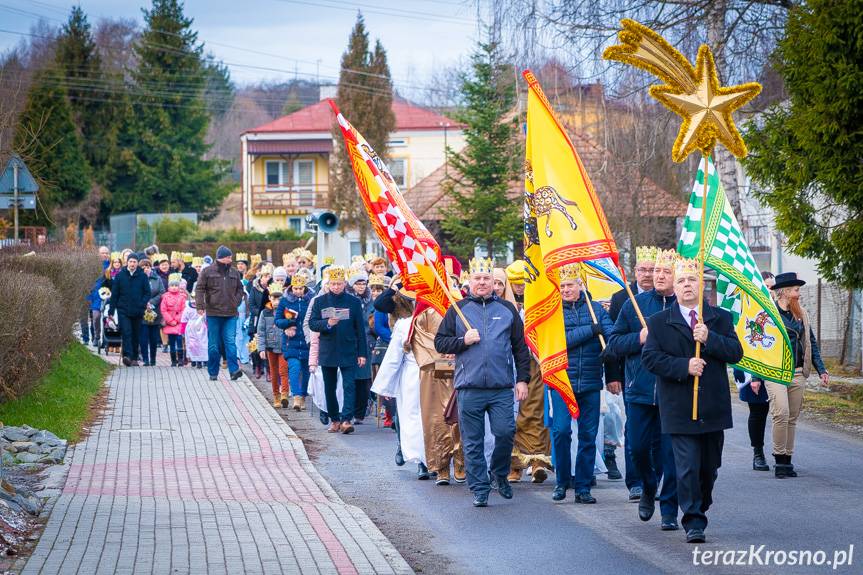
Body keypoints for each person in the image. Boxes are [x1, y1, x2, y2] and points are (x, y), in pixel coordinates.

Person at [642, 257, 743, 543]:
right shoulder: (659, 322)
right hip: (678, 406)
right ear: (674, 286)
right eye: (682, 281)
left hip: (712, 406)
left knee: (709, 468)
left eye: (692, 280)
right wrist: (683, 366)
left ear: (701, 285)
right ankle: (693, 521)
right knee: (686, 467)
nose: (687, 285)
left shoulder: (719, 318)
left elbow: (736, 353)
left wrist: (710, 338)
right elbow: (651, 358)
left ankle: (701, 501)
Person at [434, 257, 531, 508]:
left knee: (505, 432)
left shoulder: (507, 310)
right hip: (469, 386)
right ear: (469, 281)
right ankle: (479, 488)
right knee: (472, 441)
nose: (482, 283)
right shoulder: (458, 309)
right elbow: (440, 342)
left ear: (494, 283)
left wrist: (522, 380)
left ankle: (499, 472)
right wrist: (462, 341)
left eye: (487, 279)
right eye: (477, 278)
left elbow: (520, 348)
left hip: (501, 387)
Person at [608, 248, 679, 531]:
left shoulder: (684, 307)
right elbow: (613, 344)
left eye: (665, 272)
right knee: (637, 449)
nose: (658, 276)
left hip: (673, 392)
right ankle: (649, 486)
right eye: (656, 271)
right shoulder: (633, 305)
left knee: (669, 454)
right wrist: (639, 337)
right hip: (639, 390)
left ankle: (670, 511)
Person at [549, 266, 616, 504]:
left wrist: (608, 338)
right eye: (563, 286)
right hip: (562, 381)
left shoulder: (596, 309)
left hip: (590, 381)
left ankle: (583, 487)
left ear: (581, 285)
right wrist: (590, 330)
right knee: (561, 432)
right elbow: (559, 343)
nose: (566, 289)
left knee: (588, 436)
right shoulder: (553, 311)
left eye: (570, 285)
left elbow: (611, 334)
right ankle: (562, 481)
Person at [607, 245, 658, 498]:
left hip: (664, 377)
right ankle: (635, 481)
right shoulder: (621, 299)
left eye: (652, 270)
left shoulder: (670, 299)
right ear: (634, 271)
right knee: (635, 432)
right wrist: (613, 375)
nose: (648, 275)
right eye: (643, 269)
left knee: (661, 433)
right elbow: (613, 341)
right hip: (633, 376)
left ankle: (659, 479)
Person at [767, 272, 828, 478]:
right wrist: (757, 377)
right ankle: (778, 458)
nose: (798, 294)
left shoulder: (802, 314)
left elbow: (811, 343)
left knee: (792, 417)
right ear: (784, 292)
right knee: (781, 413)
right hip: (775, 372)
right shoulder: (770, 314)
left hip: (798, 372)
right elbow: (760, 347)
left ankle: (787, 459)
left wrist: (822, 369)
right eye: (796, 290)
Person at [505, 261, 553, 484]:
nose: (519, 288)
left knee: (534, 412)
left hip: (533, 364)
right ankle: (513, 465)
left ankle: (537, 462)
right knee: (508, 417)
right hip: (504, 367)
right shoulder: (500, 306)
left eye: (523, 283)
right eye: (514, 284)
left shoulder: (541, 303)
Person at [308, 266, 369, 434]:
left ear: (344, 284)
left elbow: (360, 330)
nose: (336, 287)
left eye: (339, 283)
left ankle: (346, 419)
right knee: (330, 386)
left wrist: (362, 353)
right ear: (328, 284)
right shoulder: (319, 301)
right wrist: (327, 324)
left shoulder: (354, 302)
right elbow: (312, 323)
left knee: (349, 385)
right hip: (328, 350)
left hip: (348, 348)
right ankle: (334, 419)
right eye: (333, 284)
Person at [734, 271, 775, 472]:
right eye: (766, 286)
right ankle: (758, 453)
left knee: (779, 413)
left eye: (772, 287)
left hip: (774, 370)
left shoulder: (778, 311)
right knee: (758, 412)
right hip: (751, 370)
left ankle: (783, 453)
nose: (770, 291)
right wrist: (753, 375)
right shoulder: (746, 310)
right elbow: (743, 345)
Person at [195, 245, 245, 381]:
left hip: (231, 314)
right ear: (222, 258)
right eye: (229, 257)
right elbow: (199, 289)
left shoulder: (234, 272)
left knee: (230, 342)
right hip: (213, 314)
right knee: (213, 345)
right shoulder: (207, 271)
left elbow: (241, 289)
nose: (231, 259)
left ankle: (234, 370)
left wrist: (236, 301)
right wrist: (200, 305)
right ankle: (213, 372)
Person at [275, 274, 313, 411]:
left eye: (300, 288)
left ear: (305, 287)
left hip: (307, 341)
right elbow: (277, 320)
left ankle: (303, 395)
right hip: (291, 341)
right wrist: (288, 324)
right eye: (295, 288)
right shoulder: (285, 301)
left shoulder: (311, 301)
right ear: (291, 287)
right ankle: (296, 396)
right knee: (294, 368)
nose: (298, 291)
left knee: (306, 371)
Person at [110, 252, 150, 367]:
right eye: (130, 261)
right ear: (127, 262)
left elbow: (147, 293)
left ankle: (134, 357)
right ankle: (127, 356)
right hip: (123, 310)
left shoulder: (142, 276)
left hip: (137, 310)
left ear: (137, 263)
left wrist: (142, 304)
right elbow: (115, 294)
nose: (132, 264)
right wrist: (111, 311)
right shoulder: (120, 276)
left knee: (135, 334)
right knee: (126, 332)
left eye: (134, 262)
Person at [257, 281, 288, 408]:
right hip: (270, 347)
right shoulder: (265, 313)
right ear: (269, 297)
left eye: (279, 298)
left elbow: (292, 325)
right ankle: (276, 396)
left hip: (284, 346)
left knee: (283, 371)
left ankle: (285, 394)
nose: (277, 301)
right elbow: (261, 331)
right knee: (274, 372)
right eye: (274, 298)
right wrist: (261, 348)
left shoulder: (286, 311)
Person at [348, 268, 374, 423]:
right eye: (358, 283)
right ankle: (349, 411)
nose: (361, 286)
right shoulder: (349, 300)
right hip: (351, 342)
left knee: (364, 380)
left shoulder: (371, 301)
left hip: (367, 342)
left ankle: (360, 413)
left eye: (363, 283)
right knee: (350, 380)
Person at [138, 259, 165, 366]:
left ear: (151, 268)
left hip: (155, 312)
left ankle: (153, 358)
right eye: (143, 268)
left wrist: (152, 302)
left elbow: (162, 292)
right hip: (142, 312)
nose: (146, 269)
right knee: (143, 337)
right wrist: (145, 303)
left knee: (153, 338)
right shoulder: (137, 280)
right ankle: (145, 359)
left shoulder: (157, 279)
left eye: (148, 267)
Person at [182, 288, 207, 368]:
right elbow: (184, 319)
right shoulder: (187, 308)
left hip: (201, 327)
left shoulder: (203, 308)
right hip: (191, 328)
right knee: (192, 344)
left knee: (202, 343)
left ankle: (202, 360)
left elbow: (206, 318)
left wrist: (207, 326)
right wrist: (182, 330)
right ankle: (193, 359)